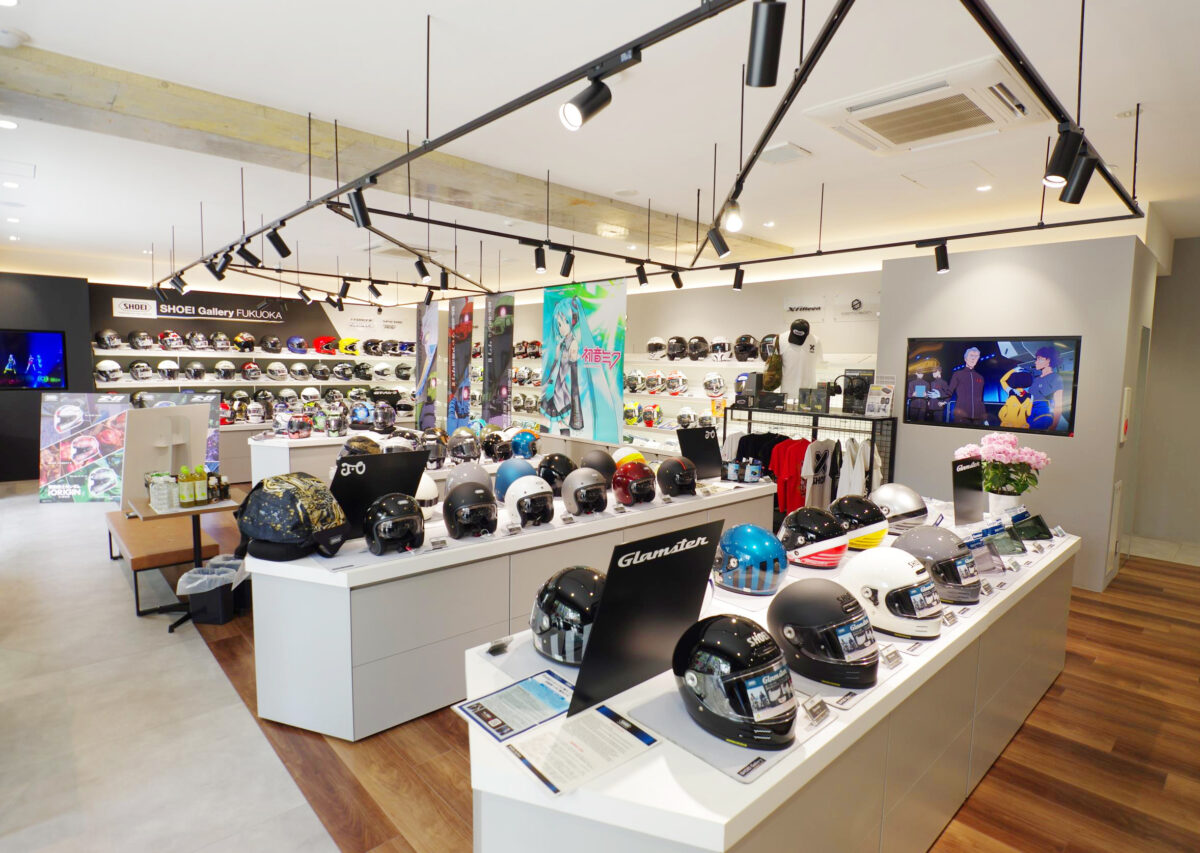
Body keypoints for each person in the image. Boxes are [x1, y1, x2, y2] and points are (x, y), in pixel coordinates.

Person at [946, 346, 988, 425]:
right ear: (965, 358)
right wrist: (943, 401)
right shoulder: (957, 374)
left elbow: (981, 399)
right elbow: (949, 391)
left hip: (977, 417)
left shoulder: (980, 377)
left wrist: (985, 418)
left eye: (976, 356)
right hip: (961, 416)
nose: (973, 358)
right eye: (971, 355)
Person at [1029, 346, 1064, 431]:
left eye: (1039, 359)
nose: (1036, 362)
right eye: (1036, 359)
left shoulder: (1055, 378)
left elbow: (1058, 404)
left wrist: (1053, 426)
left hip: (1044, 416)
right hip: (1030, 416)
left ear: (1048, 360)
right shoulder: (1035, 379)